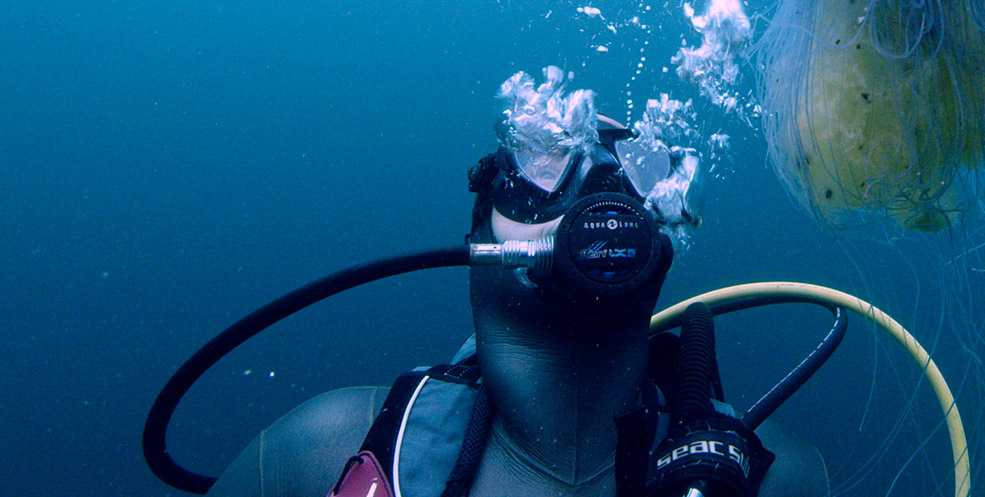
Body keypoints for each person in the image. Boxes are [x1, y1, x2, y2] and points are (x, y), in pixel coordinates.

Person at [207, 108, 830, 497]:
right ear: (480, 234)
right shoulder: (318, 454)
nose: (592, 198)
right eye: (543, 166)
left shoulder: (774, 476)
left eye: (635, 176)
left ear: (663, 241)